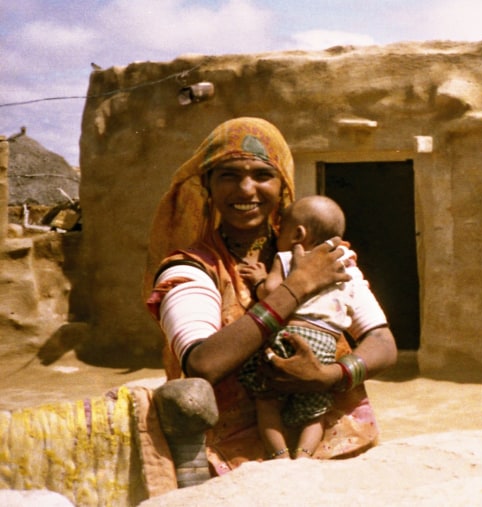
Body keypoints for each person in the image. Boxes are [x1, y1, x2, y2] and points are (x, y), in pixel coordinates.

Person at [145, 117, 397, 474]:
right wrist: (297, 288)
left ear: (283, 186)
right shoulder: (190, 269)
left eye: (263, 175)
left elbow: (383, 342)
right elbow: (202, 363)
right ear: (208, 185)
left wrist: (330, 377)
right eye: (229, 175)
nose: (246, 189)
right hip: (232, 463)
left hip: (336, 453)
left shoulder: (324, 255)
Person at [237, 195, 384, 460]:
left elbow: (271, 291)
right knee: (315, 410)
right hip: (325, 345)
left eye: (280, 229)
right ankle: (304, 456)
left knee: (266, 400)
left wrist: (259, 280)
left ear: (298, 234)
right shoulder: (349, 266)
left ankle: (280, 456)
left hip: (291, 335)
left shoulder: (287, 257)